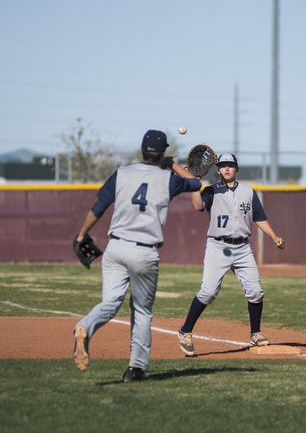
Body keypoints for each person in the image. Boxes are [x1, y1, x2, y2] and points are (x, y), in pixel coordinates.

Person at [72, 130, 202, 382]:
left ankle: (85, 327)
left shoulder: (121, 173)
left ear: (141, 150)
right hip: (143, 251)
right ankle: (135, 369)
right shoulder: (168, 179)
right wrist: (172, 165)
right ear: (163, 152)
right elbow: (197, 183)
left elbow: (98, 208)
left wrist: (80, 236)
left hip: (115, 248)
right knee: (141, 311)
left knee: (110, 303)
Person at [177, 153, 285, 356]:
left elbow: (259, 218)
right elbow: (197, 206)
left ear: (236, 169)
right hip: (218, 247)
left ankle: (255, 333)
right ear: (217, 170)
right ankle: (185, 331)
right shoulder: (210, 191)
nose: (226, 169)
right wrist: (195, 184)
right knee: (208, 293)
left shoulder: (248, 192)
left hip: (243, 247)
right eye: (223, 166)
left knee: (255, 292)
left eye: (230, 165)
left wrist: (274, 236)